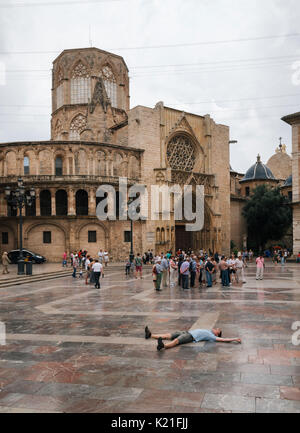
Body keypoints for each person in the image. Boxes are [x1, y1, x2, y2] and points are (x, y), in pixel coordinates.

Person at [144, 326, 242, 351]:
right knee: (168, 335)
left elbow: (223, 339)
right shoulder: (208, 331)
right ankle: (150, 335)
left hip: (190, 336)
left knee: (177, 341)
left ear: (217, 334)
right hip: (186, 332)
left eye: (217, 330)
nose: (215, 328)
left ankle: (163, 346)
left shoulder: (212, 336)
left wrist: (234, 339)